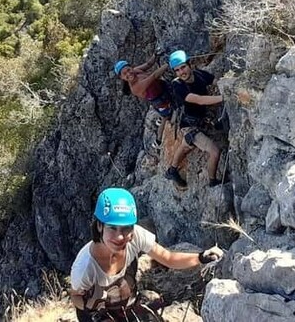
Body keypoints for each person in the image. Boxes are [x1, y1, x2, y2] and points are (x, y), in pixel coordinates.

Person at [70, 188, 224, 321]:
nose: (120, 237)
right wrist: (94, 305)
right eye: (112, 228)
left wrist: (201, 257)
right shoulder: (85, 267)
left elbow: (168, 258)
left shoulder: (136, 236)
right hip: (97, 315)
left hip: (127, 305)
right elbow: (76, 297)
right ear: (99, 225)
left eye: (126, 228)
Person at [165, 50, 225, 189]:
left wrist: (227, 84)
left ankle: (172, 170)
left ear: (189, 64)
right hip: (188, 124)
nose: (181, 72)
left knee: (186, 146)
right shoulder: (177, 85)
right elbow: (199, 100)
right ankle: (212, 181)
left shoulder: (200, 74)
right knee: (215, 151)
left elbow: (216, 81)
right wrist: (224, 97)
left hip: (200, 120)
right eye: (177, 70)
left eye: (183, 67)